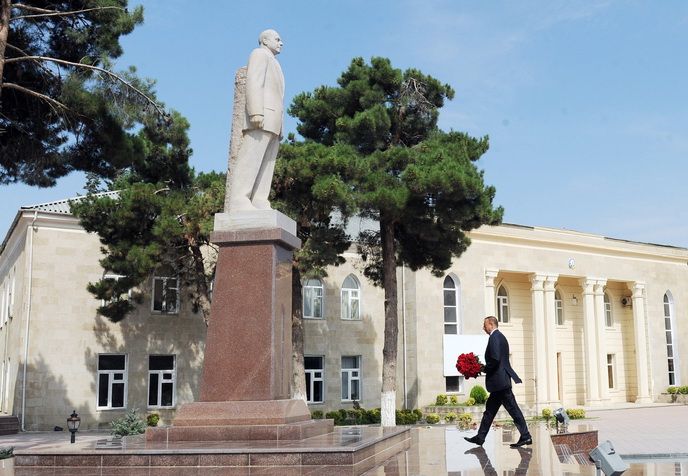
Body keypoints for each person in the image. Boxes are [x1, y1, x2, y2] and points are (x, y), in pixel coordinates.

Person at [227, 29, 285, 212]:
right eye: (277, 39)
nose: (281, 43)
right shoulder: (259, 54)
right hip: (262, 115)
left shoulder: (275, 63)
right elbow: (254, 81)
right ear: (265, 40)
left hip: (274, 119)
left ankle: (260, 198)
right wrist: (255, 112)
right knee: (251, 157)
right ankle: (239, 199)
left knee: (268, 163)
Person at [464, 316, 532, 448]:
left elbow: (494, 359)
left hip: (500, 382)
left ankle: (526, 436)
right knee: (489, 412)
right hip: (499, 382)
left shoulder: (494, 337)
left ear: (491, 325)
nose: (484, 328)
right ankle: (480, 437)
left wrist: (483, 368)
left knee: (513, 410)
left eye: (485, 325)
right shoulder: (500, 336)